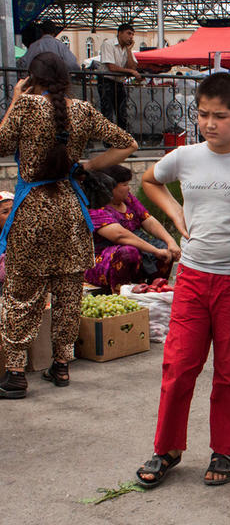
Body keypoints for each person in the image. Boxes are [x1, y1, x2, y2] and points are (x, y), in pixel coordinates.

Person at [135, 73, 230, 488]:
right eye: (202, 114)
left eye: (220, 116)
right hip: (194, 278)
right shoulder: (185, 157)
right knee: (179, 365)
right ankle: (167, 448)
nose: (209, 124)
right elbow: (149, 180)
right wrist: (176, 213)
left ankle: (225, 449)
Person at [0, 53, 137, 398]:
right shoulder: (83, 110)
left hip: (32, 209)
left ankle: (16, 372)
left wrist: (16, 98)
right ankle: (61, 365)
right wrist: (88, 165)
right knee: (68, 290)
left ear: (32, 78)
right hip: (70, 209)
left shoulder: (27, 107)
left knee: (22, 292)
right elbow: (128, 144)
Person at [83, 165, 179, 292]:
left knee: (166, 249)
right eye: (124, 184)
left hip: (139, 249)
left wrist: (170, 241)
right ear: (110, 188)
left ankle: (154, 289)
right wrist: (154, 250)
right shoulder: (94, 207)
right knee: (129, 252)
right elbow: (120, 235)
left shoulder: (127, 199)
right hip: (103, 258)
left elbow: (147, 219)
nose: (129, 188)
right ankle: (121, 293)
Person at [99, 23, 142, 131]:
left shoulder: (126, 49)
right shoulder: (108, 44)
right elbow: (111, 67)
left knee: (122, 113)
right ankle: (108, 142)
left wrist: (129, 50)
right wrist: (131, 71)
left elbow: (132, 66)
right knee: (107, 113)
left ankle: (122, 139)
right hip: (106, 81)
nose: (131, 37)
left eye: (132, 34)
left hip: (118, 82)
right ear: (120, 33)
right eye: (128, 33)